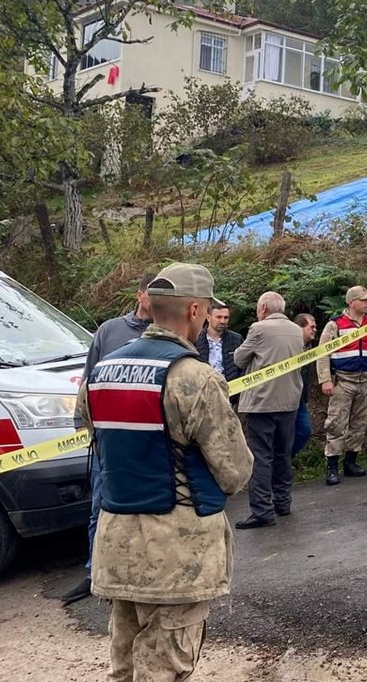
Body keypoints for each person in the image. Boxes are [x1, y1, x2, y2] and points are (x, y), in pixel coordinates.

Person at [78, 262, 252, 682]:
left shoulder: (100, 374)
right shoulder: (195, 378)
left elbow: (93, 429)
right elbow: (235, 472)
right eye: (208, 309)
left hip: (116, 548)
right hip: (176, 557)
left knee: (124, 668)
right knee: (164, 671)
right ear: (195, 311)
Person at [61, 272, 155, 605]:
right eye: (151, 293)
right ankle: (94, 573)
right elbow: (89, 377)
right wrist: (80, 422)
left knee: (145, 508)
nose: (155, 300)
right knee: (100, 507)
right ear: (139, 294)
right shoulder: (110, 330)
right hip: (106, 439)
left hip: (147, 441)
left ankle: (139, 574)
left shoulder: (164, 336)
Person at [232, 292, 304, 529]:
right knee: (283, 454)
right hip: (290, 401)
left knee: (261, 456)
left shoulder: (258, 329)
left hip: (262, 402)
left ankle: (262, 510)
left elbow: (239, 359)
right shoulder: (296, 329)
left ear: (263, 308)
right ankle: (283, 502)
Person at [316, 286, 367, 486]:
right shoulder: (335, 325)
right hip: (343, 382)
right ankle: (332, 467)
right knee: (336, 423)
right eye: (364, 300)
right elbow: (322, 354)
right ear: (351, 302)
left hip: (366, 381)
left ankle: (351, 462)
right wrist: (325, 380)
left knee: (361, 423)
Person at [195, 303, 243, 383]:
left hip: (231, 390)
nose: (222, 321)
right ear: (208, 318)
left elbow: (243, 366)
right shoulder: (196, 339)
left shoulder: (236, 339)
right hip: (204, 389)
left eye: (226, 317)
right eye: (218, 317)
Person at [292, 313, 318, 459]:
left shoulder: (310, 348)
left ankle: (284, 461)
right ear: (299, 328)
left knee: (304, 430)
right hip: (287, 398)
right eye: (311, 327)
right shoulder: (290, 347)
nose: (315, 330)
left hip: (301, 399)